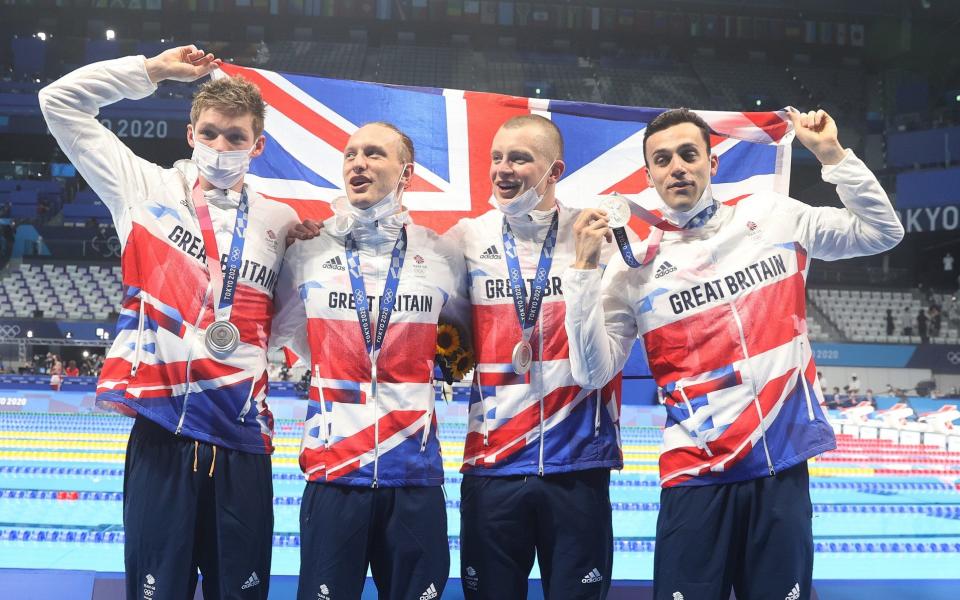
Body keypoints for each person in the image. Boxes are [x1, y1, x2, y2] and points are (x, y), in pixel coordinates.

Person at [563, 108, 903, 600]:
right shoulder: (631, 270)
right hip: (695, 476)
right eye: (662, 159)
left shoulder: (771, 216)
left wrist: (832, 154)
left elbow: (882, 232)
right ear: (650, 175)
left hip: (779, 466)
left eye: (688, 154)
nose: (676, 167)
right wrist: (582, 272)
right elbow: (593, 373)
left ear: (712, 164)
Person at [40, 45, 303, 599]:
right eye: (209, 133)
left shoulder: (281, 222)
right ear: (190, 136)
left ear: (258, 145)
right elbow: (58, 102)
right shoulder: (143, 189)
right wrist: (152, 71)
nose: (220, 147)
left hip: (241, 440)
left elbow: (287, 326)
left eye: (235, 137)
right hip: (162, 433)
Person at [271, 122, 469, 600]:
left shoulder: (441, 254)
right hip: (335, 473)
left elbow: (463, 342)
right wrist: (341, 352)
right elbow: (280, 331)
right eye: (350, 154)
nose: (358, 162)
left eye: (374, 154)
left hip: (414, 476)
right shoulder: (309, 250)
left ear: (406, 172)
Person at [445, 114, 622, 599]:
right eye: (497, 157)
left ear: (555, 170)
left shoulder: (595, 237)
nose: (503, 169)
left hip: (578, 466)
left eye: (519, 158)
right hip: (493, 465)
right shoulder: (466, 239)